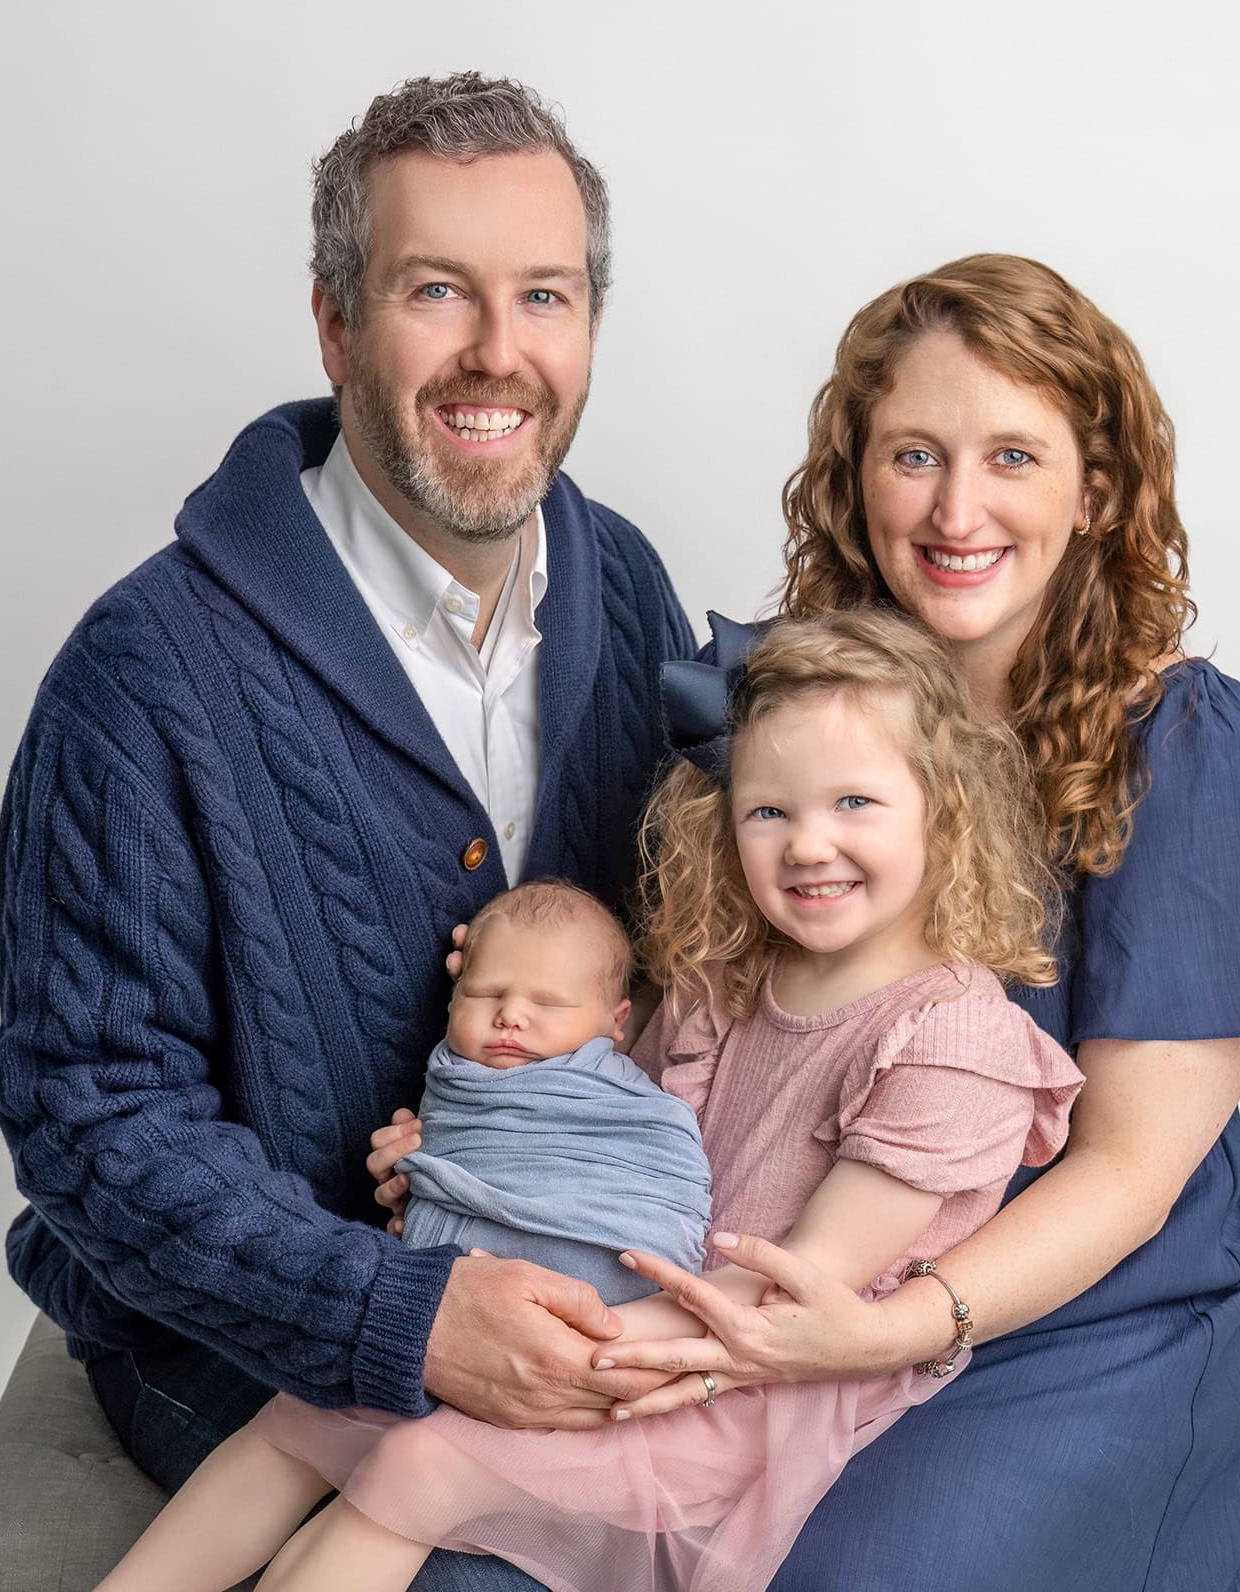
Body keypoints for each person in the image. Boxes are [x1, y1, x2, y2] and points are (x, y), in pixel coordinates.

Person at [417, 254, 1240, 1591]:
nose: (959, 509)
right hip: (785, 1283)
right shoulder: (776, 707)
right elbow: (699, 1029)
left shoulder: (1186, 744)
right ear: (855, 476)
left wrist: (895, 1324)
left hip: (1072, 1324)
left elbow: (1134, 1173)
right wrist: (503, 1104)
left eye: (1014, 455)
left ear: (1101, 489)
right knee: (468, 1547)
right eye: (914, 454)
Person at [0, 70, 696, 1535]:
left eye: (547, 297)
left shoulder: (624, 590)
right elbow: (93, 1121)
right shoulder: (142, 681)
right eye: (438, 291)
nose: (500, 354)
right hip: (252, 1339)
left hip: (579, 1285)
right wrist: (405, 1311)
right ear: (334, 319)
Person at [92, 610, 1085, 1592]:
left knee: (416, 1462)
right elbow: (596, 1135)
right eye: (768, 811)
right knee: (304, 1410)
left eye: (854, 804)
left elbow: (794, 1287)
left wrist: (555, 1342)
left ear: (942, 808)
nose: (806, 846)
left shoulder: (953, 1040)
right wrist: (459, 1156)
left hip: (736, 1375)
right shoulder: (723, 977)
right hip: (618, 1309)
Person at [392, 878, 713, 1306]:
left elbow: (671, 1176)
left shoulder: (633, 1102)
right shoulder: (452, 1078)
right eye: (484, 994)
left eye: (547, 1003)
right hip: (465, 1289)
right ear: (453, 998)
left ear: (615, 1021)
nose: (510, 1015)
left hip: (616, 1274)